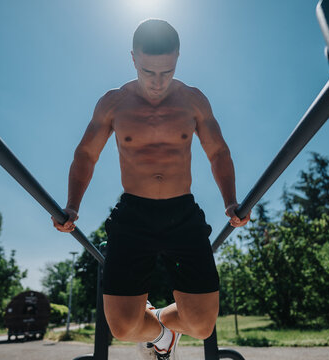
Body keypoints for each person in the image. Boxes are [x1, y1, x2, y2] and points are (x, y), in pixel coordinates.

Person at [52, 19, 249, 359]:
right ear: (132, 59)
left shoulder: (193, 100)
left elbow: (218, 152)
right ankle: (161, 335)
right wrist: (72, 206)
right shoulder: (114, 103)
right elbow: (86, 153)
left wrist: (230, 202)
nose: (158, 83)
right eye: (148, 71)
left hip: (182, 213)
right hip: (133, 214)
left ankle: (159, 319)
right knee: (124, 327)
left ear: (178, 59)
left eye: (167, 72)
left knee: (202, 326)